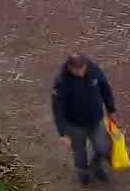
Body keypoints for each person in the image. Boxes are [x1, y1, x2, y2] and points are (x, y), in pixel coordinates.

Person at [50, 53, 117, 183]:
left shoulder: (94, 70)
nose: (81, 73)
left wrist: (111, 110)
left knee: (102, 147)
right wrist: (62, 132)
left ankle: (96, 168)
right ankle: (83, 173)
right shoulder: (61, 82)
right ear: (70, 67)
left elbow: (105, 89)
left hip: (95, 120)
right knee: (79, 152)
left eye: (83, 68)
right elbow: (57, 108)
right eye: (77, 70)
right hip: (74, 125)